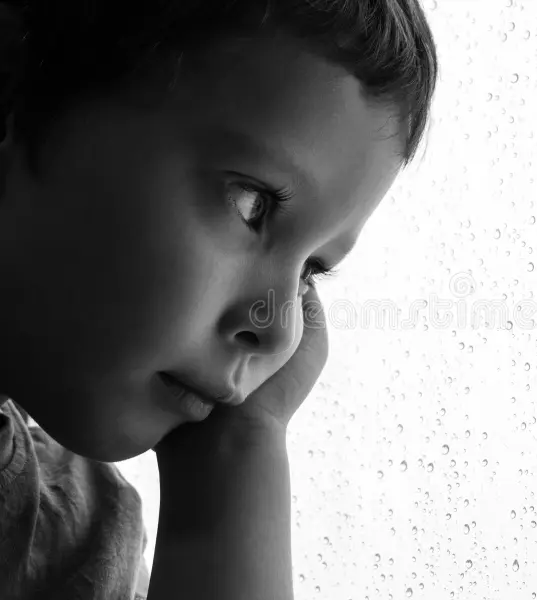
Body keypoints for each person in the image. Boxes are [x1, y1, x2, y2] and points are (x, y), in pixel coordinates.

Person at [0, 1, 438, 598]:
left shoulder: (74, 544)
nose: (282, 331)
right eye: (252, 204)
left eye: (311, 272)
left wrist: (236, 458)